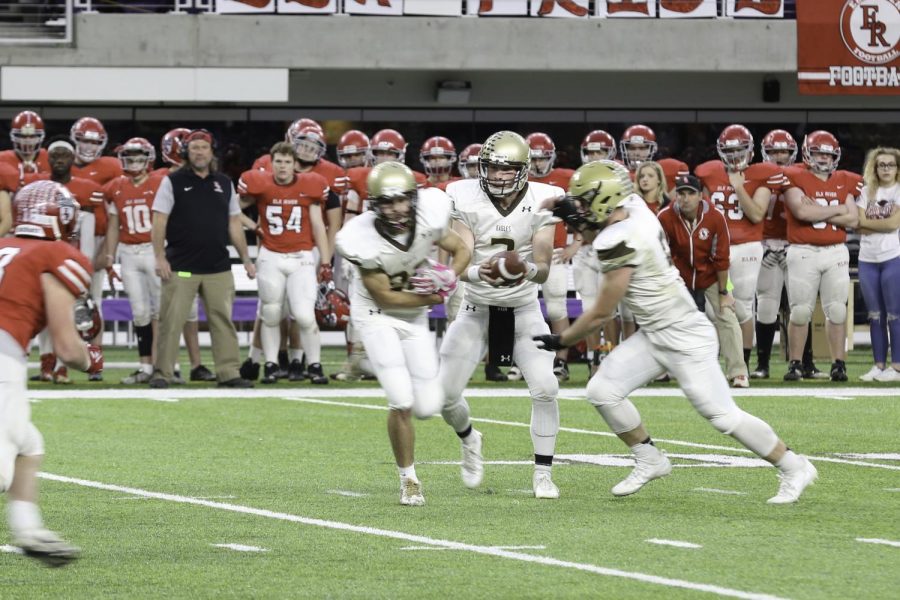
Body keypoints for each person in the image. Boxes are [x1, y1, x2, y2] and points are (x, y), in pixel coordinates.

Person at [534, 160, 817, 504]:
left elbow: (601, 313)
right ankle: (649, 457)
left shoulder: (618, 239)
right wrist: (569, 202)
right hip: (655, 333)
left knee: (722, 416)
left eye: (582, 201)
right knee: (603, 390)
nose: (576, 208)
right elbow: (603, 211)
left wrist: (563, 339)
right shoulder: (635, 208)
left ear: (603, 201)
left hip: (684, 334)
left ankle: (793, 465)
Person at [336, 162, 471, 506]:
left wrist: (450, 275)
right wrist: (435, 294)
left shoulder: (430, 214)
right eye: (387, 201)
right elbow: (385, 295)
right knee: (400, 399)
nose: (395, 208)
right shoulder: (359, 236)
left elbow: (463, 249)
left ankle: (467, 436)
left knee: (427, 406)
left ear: (413, 198)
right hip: (376, 315)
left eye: (401, 200)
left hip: (413, 317)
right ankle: (409, 479)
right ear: (374, 204)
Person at [442, 130, 561, 499]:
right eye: (491, 168)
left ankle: (543, 474)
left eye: (505, 169)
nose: (496, 176)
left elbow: (543, 263)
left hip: (523, 310)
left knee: (546, 387)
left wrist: (522, 270)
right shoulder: (463, 195)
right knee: (443, 397)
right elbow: (461, 257)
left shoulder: (543, 198)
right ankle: (469, 438)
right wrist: (483, 271)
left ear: (523, 170)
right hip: (477, 309)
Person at [1, 180, 104, 566]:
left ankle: (28, 530)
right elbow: (65, 347)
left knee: (30, 445)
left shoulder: (5, 247)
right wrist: (91, 358)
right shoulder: (54, 254)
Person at [150, 129, 256, 389]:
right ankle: (163, 373)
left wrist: (246, 259)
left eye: (204, 147)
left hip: (218, 266)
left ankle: (228, 372)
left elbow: (234, 223)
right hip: (182, 267)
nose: (199, 152)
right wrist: (159, 257)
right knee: (171, 320)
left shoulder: (224, 183)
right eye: (194, 147)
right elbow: (159, 220)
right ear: (187, 152)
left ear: (211, 152)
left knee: (223, 320)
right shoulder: (172, 181)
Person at [238, 142, 332, 384]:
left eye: (287, 162)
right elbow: (231, 209)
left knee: (304, 315)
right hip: (271, 256)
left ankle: (315, 364)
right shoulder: (261, 184)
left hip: (301, 256)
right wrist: (254, 227)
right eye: (278, 161)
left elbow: (319, 225)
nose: (282, 166)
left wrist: (325, 260)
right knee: (270, 313)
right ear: (271, 163)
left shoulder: (309, 185)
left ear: (294, 165)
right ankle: (270, 364)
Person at [695, 124, 784, 374]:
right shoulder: (709, 172)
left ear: (750, 151)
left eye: (739, 149)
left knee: (743, 306)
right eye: (729, 150)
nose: (734, 155)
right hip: (716, 249)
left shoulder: (761, 174)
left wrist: (738, 186)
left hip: (746, 248)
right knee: (714, 309)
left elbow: (757, 215)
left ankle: (742, 364)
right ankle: (715, 363)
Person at [23, 138, 104, 384]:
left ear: (72, 159)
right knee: (43, 316)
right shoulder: (36, 187)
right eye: (55, 155)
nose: (59, 160)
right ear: (47, 159)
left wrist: (85, 263)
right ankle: (47, 365)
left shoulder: (86, 188)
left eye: (64, 155)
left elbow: (88, 230)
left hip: (69, 258)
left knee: (68, 316)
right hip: (44, 259)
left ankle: (63, 367)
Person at [782, 131, 858, 382]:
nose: (824, 159)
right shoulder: (795, 176)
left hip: (835, 250)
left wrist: (820, 210)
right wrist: (836, 209)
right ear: (807, 153)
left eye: (828, 154)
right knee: (800, 311)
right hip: (803, 251)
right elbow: (801, 212)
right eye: (818, 153)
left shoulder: (844, 179)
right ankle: (795, 363)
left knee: (837, 310)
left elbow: (853, 218)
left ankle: (839, 364)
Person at [658, 175, 748, 387]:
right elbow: (661, 254)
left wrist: (725, 293)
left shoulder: (715, 217)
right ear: (676, 195)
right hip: (678, 277)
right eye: (681, 193)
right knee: (666, 318)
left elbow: (722, 258)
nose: (685, 198)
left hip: (711, 275)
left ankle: (738, 372)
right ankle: (664, 368)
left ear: (700, 196)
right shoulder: (665, 217)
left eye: (691, 193)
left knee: (727, 315)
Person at [752, 129, 825, 380]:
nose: (780, 156)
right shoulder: (756, 175)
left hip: (796, 246)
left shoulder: (804, 175)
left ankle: (806, 363)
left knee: (801, 306)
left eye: (784, 151)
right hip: (766, 247)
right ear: (765, 153)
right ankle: (762, 364)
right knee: (766, 306)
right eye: (774, 151)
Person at [526, 132, 577, 382]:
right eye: (533, 158)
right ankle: (522, 360)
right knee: (520, 308)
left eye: (542, 157)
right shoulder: (518, 179)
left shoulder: (564, 179)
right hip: (525, 252)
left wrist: (575, 244)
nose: (537, 163)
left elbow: (580, 214)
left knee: (557, 308)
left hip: (554, 253)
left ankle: (561, 361)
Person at [855, 147, 900, 382]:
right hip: (867, 258)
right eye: (881, 165)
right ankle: (879, 365)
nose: (885, 169)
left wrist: (868, 223)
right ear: (874, 167)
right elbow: (856, 223)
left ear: (897, 168)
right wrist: (878, 222)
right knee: (874, 315)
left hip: (893, 256)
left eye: (890, 165)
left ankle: (898, 366)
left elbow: (894, 224)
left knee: (895, 313)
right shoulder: (866, 191)